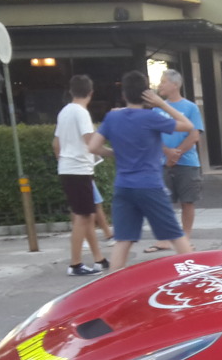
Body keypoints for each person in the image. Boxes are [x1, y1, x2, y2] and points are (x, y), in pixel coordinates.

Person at [87, 70, 194, 270]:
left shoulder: (112, 118)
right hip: (150, 186)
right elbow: (187, 125)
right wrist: (162, 104)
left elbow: (93, 147)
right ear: (146, 94)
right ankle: (197, 280)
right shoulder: (151, 117)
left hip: (123, 186)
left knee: (123, 240)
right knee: (175, 235)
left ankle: (113, 289)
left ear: (124, 95)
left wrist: (114, 152)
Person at [52, 74, 109, 277]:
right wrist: (112, 152)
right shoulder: (81, 113)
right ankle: (75, 264)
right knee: (83, 216)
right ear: (91, 93)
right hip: (79, 169)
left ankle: (98, 258)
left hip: (68, 168)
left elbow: (56, 144)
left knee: (87, 214)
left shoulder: (64, 111)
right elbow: (90, 141)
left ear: (71, 91)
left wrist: (64, 161)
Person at [146, 69, 204, 253]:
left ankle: (185, 237)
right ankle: (164, 239)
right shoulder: (157, 108)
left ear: (175, 85)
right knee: (163, 201)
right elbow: (153, 135)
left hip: (187, 162)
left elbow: (195, 134)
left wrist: (176, 153)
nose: (160, 85)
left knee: (188, 201)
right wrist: (166, 152)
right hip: (163, 162)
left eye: (163, 82)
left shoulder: (190, 108)